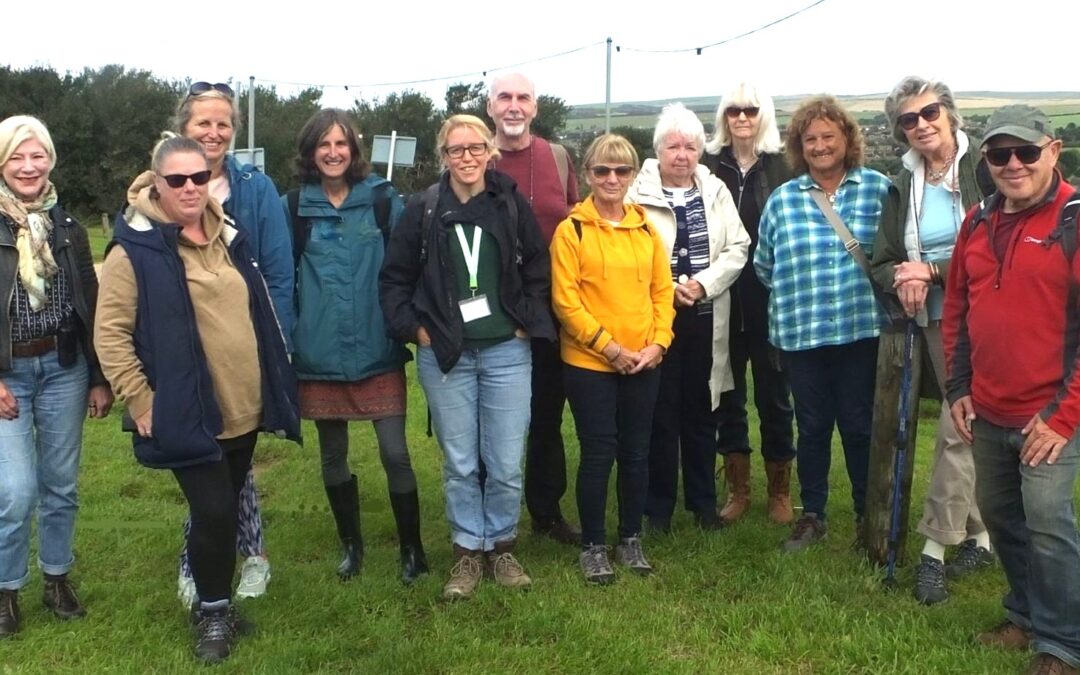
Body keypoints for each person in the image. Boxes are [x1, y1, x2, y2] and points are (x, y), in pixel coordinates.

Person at [95, 135, 299, 663]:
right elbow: (111, 334)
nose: (190, 188)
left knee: (226, 509)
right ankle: (212, 615)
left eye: (199, 177)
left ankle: (219, 602)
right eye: (177, 180)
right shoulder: (133, 249)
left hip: (243, 402)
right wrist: (141, 401)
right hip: (186, 407)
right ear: (156, 183)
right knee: (211, 511)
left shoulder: (228, 233)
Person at [379, 114, 555, 600]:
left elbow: (539, 268)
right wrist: (414, 330)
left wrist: (526, 320)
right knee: (459, 462)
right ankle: (466, 552)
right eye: (456, 150)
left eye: (476, 147)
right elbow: (394, 279)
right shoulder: (424, 208)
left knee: (504, 460)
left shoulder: (510, 203)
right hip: (446, 355)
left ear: (490, 150)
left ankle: (500, 543)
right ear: (444, 157)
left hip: (506, 352)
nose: (467, 158)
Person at [944, 105, 1080, 675]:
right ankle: (1025, 614)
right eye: (1000, 155)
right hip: (988, 408)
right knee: (1003, 519)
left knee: (1048, 523)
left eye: (1026, 151)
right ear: (987, 161)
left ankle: (1063, 644)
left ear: (1052, 151)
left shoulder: (1074, 220)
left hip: (1048, 414)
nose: (1014, 164)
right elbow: (958, 307)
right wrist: (957, 386)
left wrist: (1063, 417)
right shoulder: (976, 222)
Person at [284, 109, 427, 584]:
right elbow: (283, 282)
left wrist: (408, 323)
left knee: (395, 453)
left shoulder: (384, 202)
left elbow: (408, 268)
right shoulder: (293, 208)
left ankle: (412, 549)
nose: (332, 152)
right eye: (323, 144)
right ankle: (352, 546)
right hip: (318, 353)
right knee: (332, 456)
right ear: (310, 151)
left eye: (340, 143)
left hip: (378, 348)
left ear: (354, 150)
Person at [870, 76, 993, 606]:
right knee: (970, 432)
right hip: (933, 327)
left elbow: (996, 249)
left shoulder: (984, 168)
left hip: (986, 323)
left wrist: (934, 271)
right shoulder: (902, 181)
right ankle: (984, 538)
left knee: (955, 432)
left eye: (929, 113)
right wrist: (904, 275)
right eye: (908, 119)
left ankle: (934, 553)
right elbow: (881, 259)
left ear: (950, 113)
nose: (920, 124)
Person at [173, 82, 294, 605]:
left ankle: (238, 561)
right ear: (184, 128)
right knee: (208, 461)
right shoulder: (165, 186)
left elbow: (278, 272)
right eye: (204, 122)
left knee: (232, 460)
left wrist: (278, 349)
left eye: (223, 123)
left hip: (244, 347)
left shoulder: (256, 189)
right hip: (185, 351)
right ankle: (218, 561)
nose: (214, 132)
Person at [754, 95, 891, 553]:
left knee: (858, 426)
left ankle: (864, 514)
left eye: (828, 136)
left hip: (858, 330)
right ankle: (812, 516)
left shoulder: (878, 190)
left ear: (847, 139)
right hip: (802, 333)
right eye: (809, 138)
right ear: (799, 146)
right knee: (811, 427)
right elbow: (764, 265)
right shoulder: (782, 200)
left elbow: (892, 255)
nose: (819, 146)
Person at [0, 115, 113, 638]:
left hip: (65, 368)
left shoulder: (66, 225)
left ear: (50, 161)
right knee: (17, 490)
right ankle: (6, 588)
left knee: (61, 485)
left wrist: (98, 376)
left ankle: (57, 578)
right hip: (9, 374)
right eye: (16, 157)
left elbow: (89, 304)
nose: (29, 166)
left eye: (37, 155)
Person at [551, 133, 675, 584]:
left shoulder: (646, 229)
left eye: (622, 170)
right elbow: (566, 303)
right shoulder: (572, 230)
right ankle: (593, 544)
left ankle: (631, 537)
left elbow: (663, 293)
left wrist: (658, 344)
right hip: (590, 365)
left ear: (632, 176)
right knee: (598, 453)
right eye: (602, 170)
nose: (612, 178)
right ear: (587, 174)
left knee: (637, 453)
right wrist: (609, 348)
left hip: (644, 360)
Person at [627, 103, 749, 533]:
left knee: (701, 411)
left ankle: (702, 505)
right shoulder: (634, 193)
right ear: (659, 149)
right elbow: (625, 250)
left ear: (701, 151)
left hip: (705, 313)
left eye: (691, 146)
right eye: (673, 146)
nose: (682, 154)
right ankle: (657, 508)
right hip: (653, 318)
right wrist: (663, 288)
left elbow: (738, 247)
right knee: (659, 413)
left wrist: (703, 284)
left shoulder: (715, 191)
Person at [487, 72, 582, 546]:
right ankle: (487, 517)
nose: (514, 106)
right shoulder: (474, 159)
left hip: (550, 307)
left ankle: (546, 512)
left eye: (523, 97)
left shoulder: (558, 157)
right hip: (491, 309)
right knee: (494, 417)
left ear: (535, 108)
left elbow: (578, 222)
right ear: (490, 108)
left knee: (546, 413)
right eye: (504, 97)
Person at [703, 82, 796, 526]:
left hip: (770, 300)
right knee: (728, 396)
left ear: (765, 115)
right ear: (723, 117)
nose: (742, 118)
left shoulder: (784, 167)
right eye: (733, 110)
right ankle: (737, 487)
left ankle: (781, 491)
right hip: (720, 299)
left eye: (751, 110)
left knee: (776, 397)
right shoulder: (707, 166)